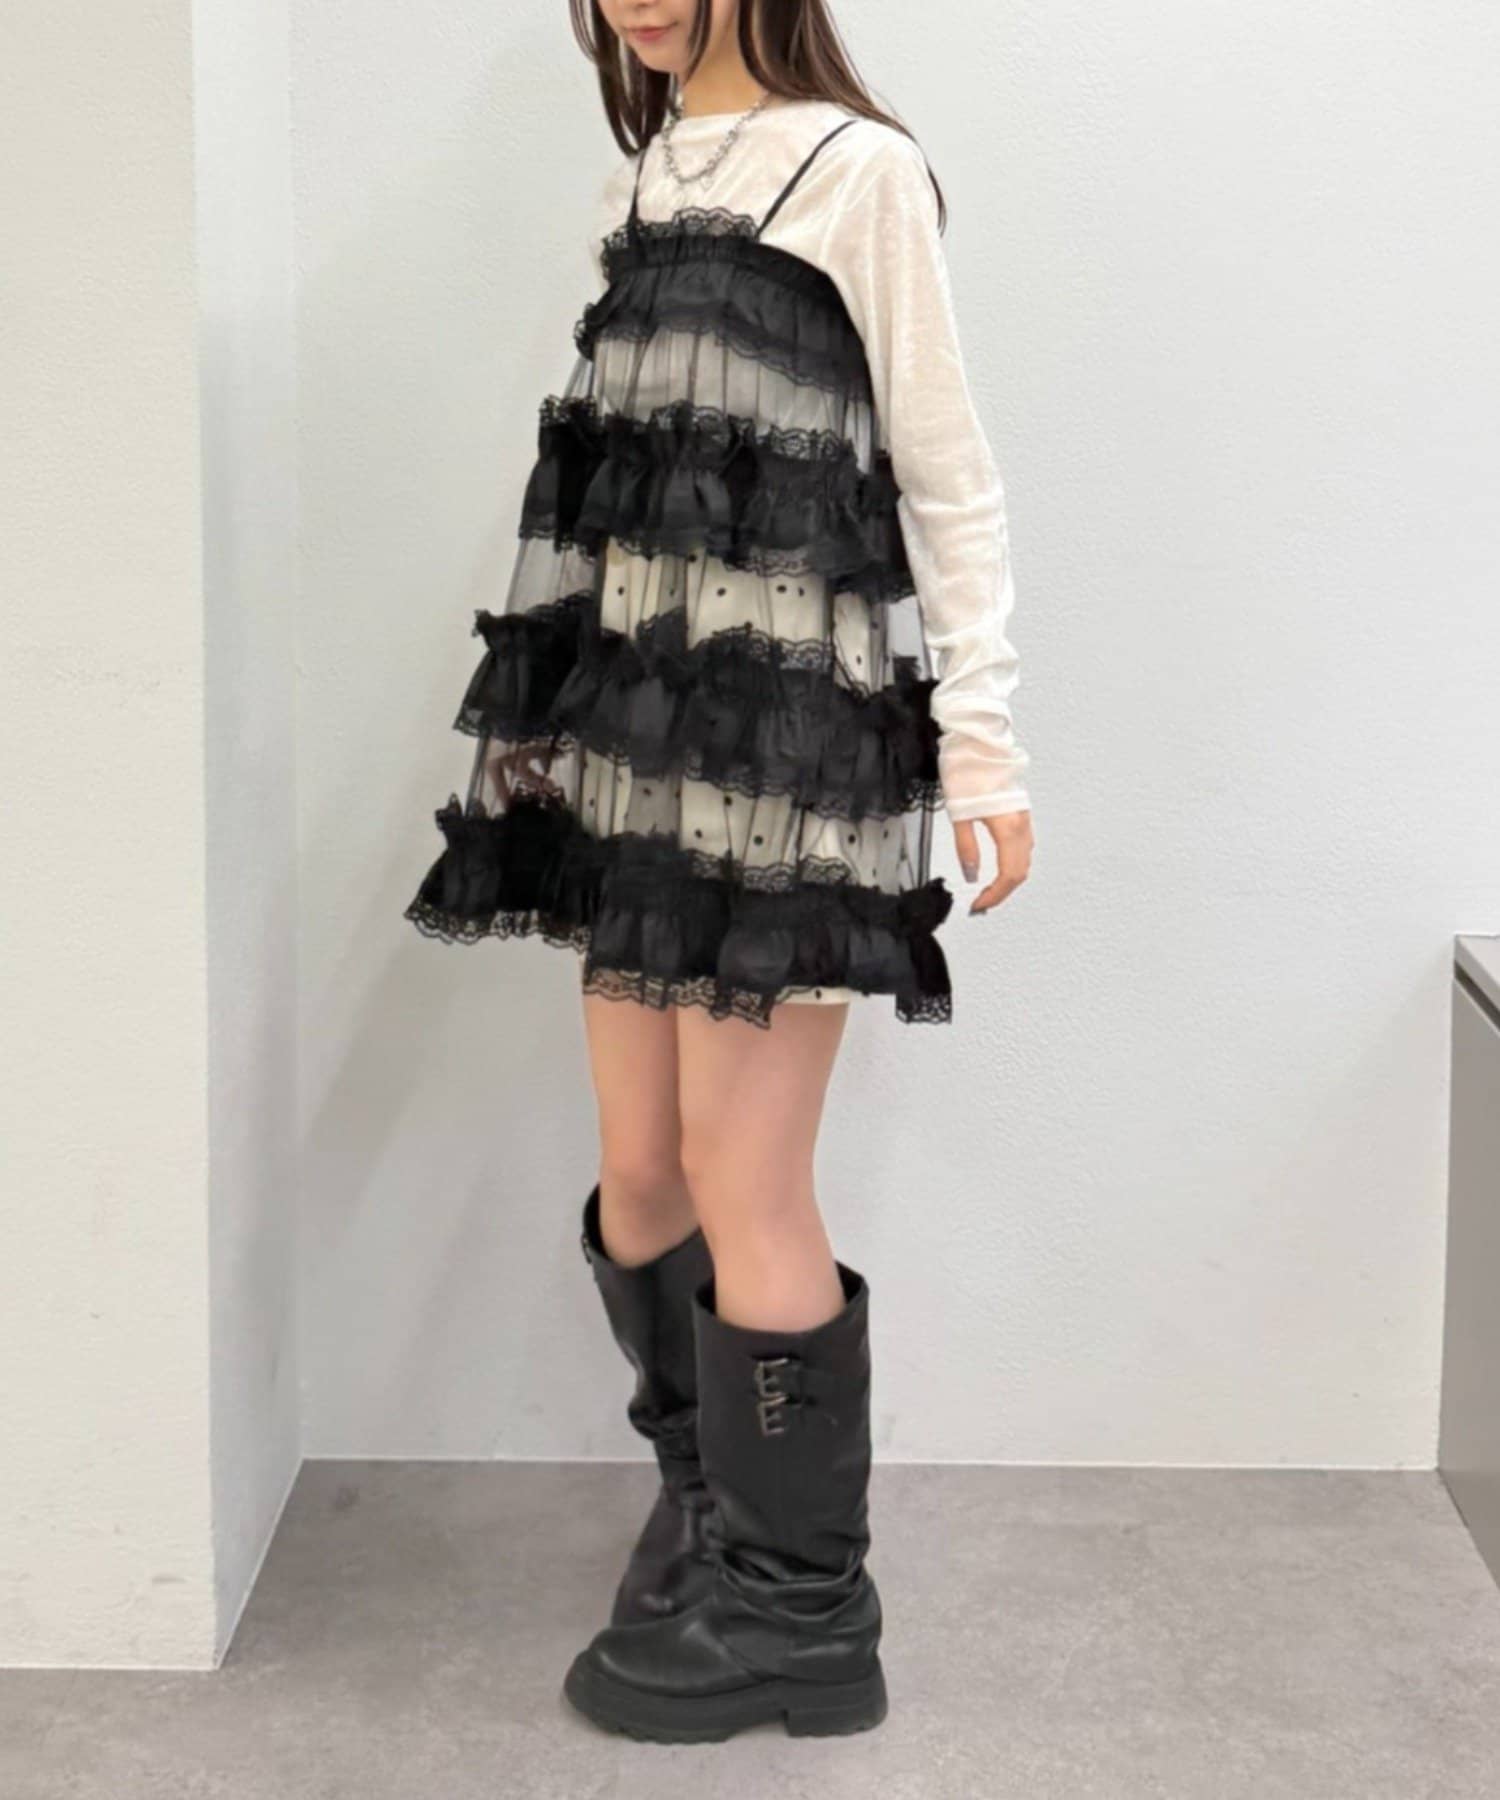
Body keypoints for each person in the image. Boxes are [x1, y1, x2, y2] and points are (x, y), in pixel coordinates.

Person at [404, 0, 1034, 1743]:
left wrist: (982, 744)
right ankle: (707, 1506)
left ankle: (803, 1618)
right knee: (640, 1174)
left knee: (746, 1179)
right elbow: (626, 484)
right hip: (639, 749)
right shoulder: (652, 172)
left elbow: (947, 475)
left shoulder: (857, 170)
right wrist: (554, 723)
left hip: (786, 753)